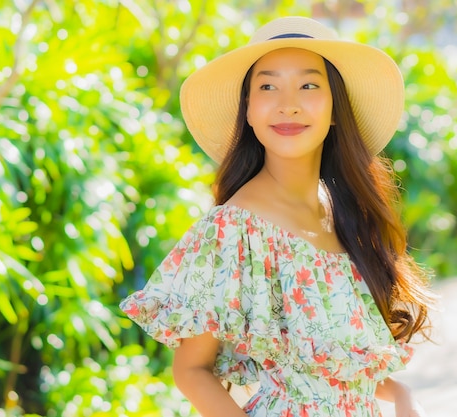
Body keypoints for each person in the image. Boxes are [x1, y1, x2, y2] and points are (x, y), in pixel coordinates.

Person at [120, 16, 436, 417]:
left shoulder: (342, 212)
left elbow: (333, 365)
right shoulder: (234, 229)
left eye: (308, 85)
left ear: (336, 109)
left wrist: (404, 395)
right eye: (268, 86)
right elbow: (192, 371)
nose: (288, 103)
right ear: (248, 112)